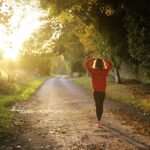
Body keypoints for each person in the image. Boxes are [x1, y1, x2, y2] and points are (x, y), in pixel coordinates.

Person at [84, 56, 112, 128]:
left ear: (95, 64)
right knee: (100, 105)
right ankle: (99, 120)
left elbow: (86, 63)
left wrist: (93, 59)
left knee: (97, 105)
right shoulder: (105, 71)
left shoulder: (93, 71)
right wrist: (104, 59)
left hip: (96, 92)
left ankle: (98, 121)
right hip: (102, 92)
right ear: (102, 64)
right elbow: (110, 64)